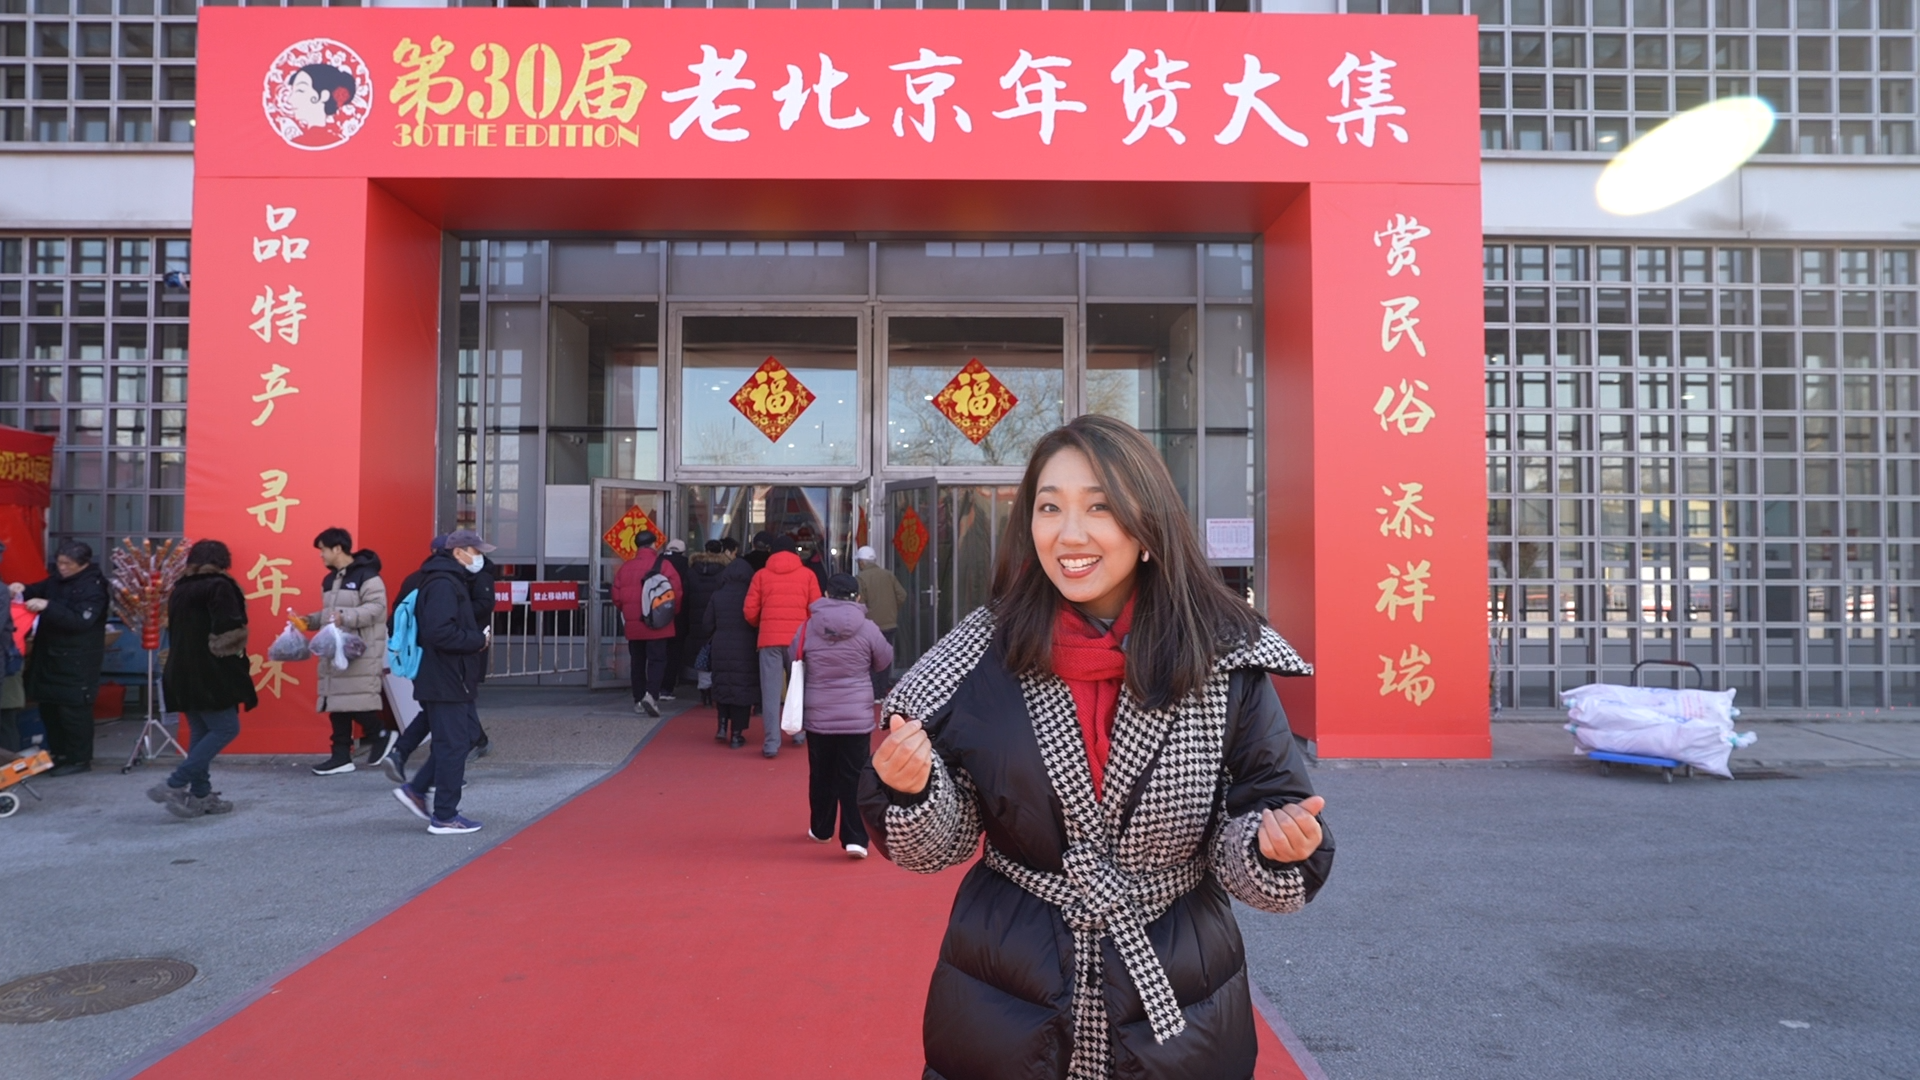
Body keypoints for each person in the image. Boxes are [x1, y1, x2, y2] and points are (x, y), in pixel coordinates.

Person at [859, 415, 1333, 1080]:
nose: (1070, 534)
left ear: (1148, 529)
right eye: (1050, 507)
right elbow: (947, 837)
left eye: (1100, 507)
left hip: (1181, 992)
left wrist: (1271, 845)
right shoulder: (980, 656)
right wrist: (912, 792)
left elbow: (1267, 806)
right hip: (1006, 989)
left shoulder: (1222, 657)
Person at [391, 530, 492, 835]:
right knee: (454, 745)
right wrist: (477, 640)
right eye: (476, 551)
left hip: (445, 675)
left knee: (453, 742)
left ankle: (417, 791)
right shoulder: (444, 584)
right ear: (459, 552)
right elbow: (440, 632)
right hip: (446, 675)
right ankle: (445, 815)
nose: (480, 557)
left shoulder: (444, 579)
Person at [149, 540, 257, 818]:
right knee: (226, 728)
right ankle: (174, 783)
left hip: (179, 670)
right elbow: (229, 629)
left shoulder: (180, 588)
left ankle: (201, 795)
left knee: (200, 731)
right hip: (209, 671)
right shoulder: (220, 586)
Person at [795, 573, 892, 859]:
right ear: (857, 597)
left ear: (826, 593)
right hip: (855, 715)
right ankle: (855, 839)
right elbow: (884, 659)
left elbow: (794, 654)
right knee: (854, 776)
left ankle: (821, 829)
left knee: (821, 774)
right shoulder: (868, 628)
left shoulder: (809, 626)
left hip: (819, 713)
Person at [14, 541, 110, 776]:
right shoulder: (56, 580)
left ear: (83, 564)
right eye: (60, 562)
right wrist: (21, 590)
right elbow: (37, 589)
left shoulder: (93, 587)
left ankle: (79, 759)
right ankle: (59, 753)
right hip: (50, 655)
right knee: (50, 708)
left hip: (77, 659)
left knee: (73, 712)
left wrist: (49, 607)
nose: (62, 567)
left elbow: (81, 621)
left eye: (68, 564)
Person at [307, 527, 393, 776]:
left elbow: (377, 609)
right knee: (336, 702)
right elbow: (330, 615)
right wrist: (309, 621)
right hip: (337, 651)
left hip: (359, 650)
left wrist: (344, 617)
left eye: (322, 550)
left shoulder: (368, 576)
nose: (321, 555)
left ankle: (381, 734)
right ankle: (341, 756)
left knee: (353, 701)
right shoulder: (330, 579)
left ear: (337, 548)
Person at [743, 535, 820, 758]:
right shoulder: (808, 575)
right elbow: (814, 609)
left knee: (770, 692)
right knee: (798, 688)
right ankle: (798, 732)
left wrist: (762, 624)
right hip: (798, 641)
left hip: (769, 640)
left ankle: (771, 742)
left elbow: (749, 611)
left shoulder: (761, 576)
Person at [610, 530, 683, 718]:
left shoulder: (625, 568)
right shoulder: (664, 565)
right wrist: (669, 615)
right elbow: (676, 593)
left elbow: (617, 598)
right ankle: (651, 696)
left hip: (635, 624)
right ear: (653, 544)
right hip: (658, 623)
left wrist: (630, 613)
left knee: (637, 661)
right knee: (657, 660)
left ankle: (638, 700)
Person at [700, 555, 761, 749]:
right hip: (746, 645)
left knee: (723, 684)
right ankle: (736, 734)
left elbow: (706, 624)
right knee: (742, 688)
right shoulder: (750, 594)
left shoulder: (718, 594)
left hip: (721, 644)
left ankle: (721, 725)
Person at [681, 540, 731, 709]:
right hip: (718, 617)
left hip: (695, 617)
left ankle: (704, 690)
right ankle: (716, 688)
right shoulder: (725, 571)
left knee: (702, 655)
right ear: (722, 551)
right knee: (716, 654)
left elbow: (685, 596)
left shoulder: (692, 570)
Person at [854, 545, 908, 700]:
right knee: (885, 659)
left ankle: (874, 692)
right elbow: (902, 595)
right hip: (890, 624)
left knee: (870, 659)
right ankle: (882, 692)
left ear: (862, 563)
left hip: (871, 626)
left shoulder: (861, 578)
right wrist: (892, 609)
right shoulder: (888, 575)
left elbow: (860, 603)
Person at [661, 538, 692, 700]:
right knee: (674, 652)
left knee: (657, 652)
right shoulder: (686, 565)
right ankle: (667, 687)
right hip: (678, 615)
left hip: (656, 614)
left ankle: (653, 686)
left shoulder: (657, 562)